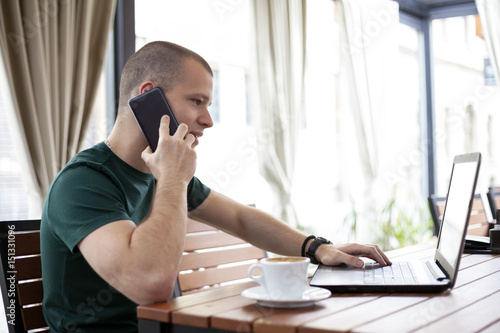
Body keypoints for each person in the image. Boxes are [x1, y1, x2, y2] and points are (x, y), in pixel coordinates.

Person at [40, 41, 391, 332]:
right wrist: (174, 179)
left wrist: (316, 248)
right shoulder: (84, 182)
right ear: (149, 97)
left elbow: (239, 218)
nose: (207, 120)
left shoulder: (162, 175)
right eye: (197, 101)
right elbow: (151, 283)